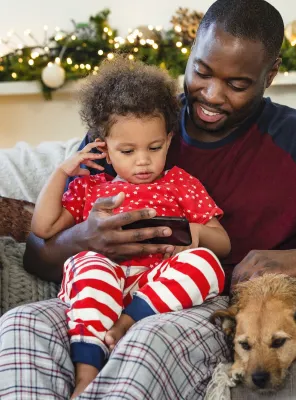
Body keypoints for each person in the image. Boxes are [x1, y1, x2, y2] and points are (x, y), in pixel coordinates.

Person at [1, 0, 296, 399]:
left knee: (147, 344)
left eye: (237, 85)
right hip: (103, 291)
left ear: (271, 73)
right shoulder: (133, 126)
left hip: (198, 304)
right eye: (202, 72)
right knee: (21, 326)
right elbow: (37, 254)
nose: (211, 95)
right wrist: (87, 238)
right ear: (191, 52)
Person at [30, 57, 230, 398]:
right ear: (104, 148)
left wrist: (190, 235)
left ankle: (129, 321)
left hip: (158, 289)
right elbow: (44, 227)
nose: (142, 160)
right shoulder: (91, 188)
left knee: (207, 264)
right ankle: (87, 374)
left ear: (168, 142)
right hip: (106, 280)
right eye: (127, 150)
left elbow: (222, 243)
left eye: (154, 148)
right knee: (87, 263)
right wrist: (61, 173)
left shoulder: (180, 183)